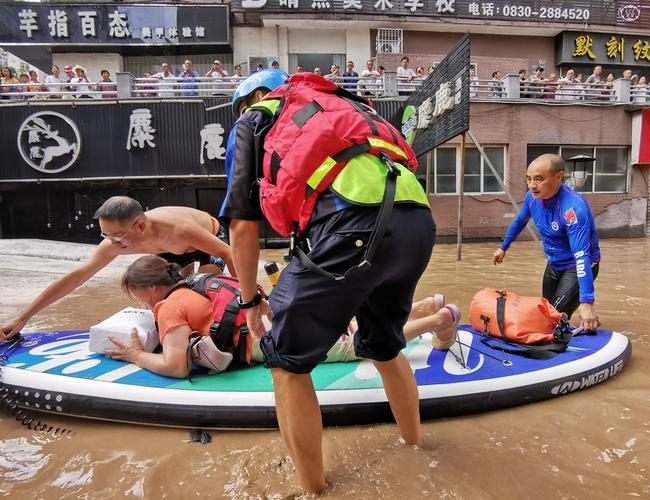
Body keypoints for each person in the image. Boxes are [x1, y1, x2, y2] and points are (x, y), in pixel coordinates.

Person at [221, 69, 434, 493]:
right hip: (418, 223)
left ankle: (313, 489)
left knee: (283, 362)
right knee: (386, 346)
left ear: (257, 96)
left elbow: (242, 228)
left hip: (351, 225)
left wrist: (248, 303)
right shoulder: (352, 109)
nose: (241, 115)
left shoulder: (255, 119)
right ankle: (416, 447)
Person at [104, 256, 460, 378]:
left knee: (358, 345)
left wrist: (135, 355)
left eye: (135, 294)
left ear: (149, 289)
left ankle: (439, 319)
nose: (138, 301)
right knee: (349, 321)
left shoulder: (167, 307)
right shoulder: (200, 280)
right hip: (278, 309)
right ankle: (424, 305)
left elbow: (176, 366)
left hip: (271, 335)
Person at [0, 196, 235, 341]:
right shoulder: (113, 243)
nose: (113, 243)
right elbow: (76, 277)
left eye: (118, 236)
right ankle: (172, 337)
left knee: (197, 288)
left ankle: (211, 336)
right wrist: (23, 318)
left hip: (208, 238)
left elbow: (228, 252)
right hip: (170, 250)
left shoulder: (178, 228)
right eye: (106, 235)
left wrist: (248, 297)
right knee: (164, 296)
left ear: (140, 225)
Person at [492, 154, 601, 331]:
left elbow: (582, 256)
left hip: (578, 264)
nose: (532, 185)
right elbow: (520, 221)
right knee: (547, 312)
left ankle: (584, 321)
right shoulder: (532, 198)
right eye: (528, 179)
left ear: (559, 176)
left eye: (539, 179)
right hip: (554, 262)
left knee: (554, 317)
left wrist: (587, 301)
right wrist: (503, 247)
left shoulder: (573, 208)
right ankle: (585, 324)